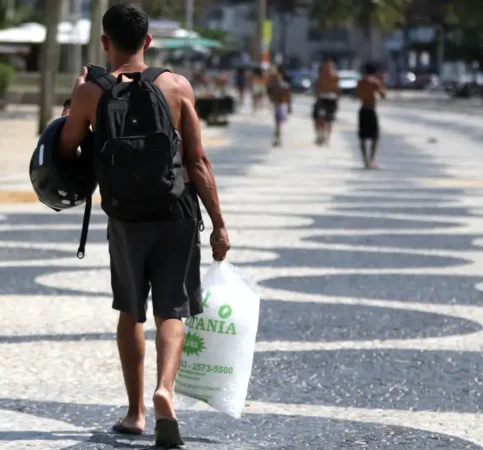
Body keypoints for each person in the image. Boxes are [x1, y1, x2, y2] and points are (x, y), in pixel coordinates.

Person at [57, 2, 230, 447]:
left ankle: (135, 413)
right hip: (176, 213)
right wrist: (219, 224)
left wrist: (73, 101)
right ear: (148, 42)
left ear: (104, 42)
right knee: (172, 309)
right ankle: (164, 391)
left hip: (125, 216)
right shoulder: (176, 87)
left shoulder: (91, 92)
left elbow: (65, 148)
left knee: (130, 310)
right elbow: (197, 161)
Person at [356, 62, 386, 169]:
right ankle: (371, 160)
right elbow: (383, 95)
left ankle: (365, 161)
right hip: (371, 110)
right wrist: (381, 83)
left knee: (363, 137)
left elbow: (358, 95)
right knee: (375, 137)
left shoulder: (360, 82)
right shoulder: (375, 82)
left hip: (363, 109)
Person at [312, 58, 340, 146]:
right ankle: (325, 136)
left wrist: (337, 101)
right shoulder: (330, 75)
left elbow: (337, 90)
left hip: (327, 99)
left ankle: (325, 137)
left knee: (326, 119)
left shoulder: (330, 76)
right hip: (326, 99)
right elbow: (337, 90)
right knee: (324, 119)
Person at [266, 67, 292, 147]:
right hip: (277, 105)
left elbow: (288, 97)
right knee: (278, 123)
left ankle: (278, 138)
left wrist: (289, 107)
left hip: (282, 106)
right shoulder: (273, 85)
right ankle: (278, 138)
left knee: (279, 123)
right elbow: (269, 93)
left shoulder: (285, 86)